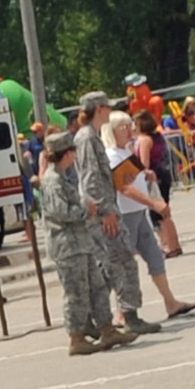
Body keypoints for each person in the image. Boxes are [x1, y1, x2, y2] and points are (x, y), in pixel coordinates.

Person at [72, 90, 159, 335]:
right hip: (102, 214)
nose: (109, 112)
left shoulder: (90, 136)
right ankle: (123, 317)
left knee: (112, 266)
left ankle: (98, 318)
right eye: (107, 108)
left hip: (103, 210)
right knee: (119, 264)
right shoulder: (88, 137)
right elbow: (90, 180)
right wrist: (106, 211)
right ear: (99, 109)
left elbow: (99, 176)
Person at [39, 131, 131, 356]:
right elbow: (59, 212)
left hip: (80, 243)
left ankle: (107, 330)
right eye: (72, 152)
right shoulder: (52, 181)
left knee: (98, 286)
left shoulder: (63, 177)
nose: (74, 157)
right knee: (76, 292)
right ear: (66, 153)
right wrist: (85, 210)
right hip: (67, 247)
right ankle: (76, 337)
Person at [106, 112, 195, 320]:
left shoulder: (126, 151)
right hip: (125, 215)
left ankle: (170, 302)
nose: (129, 129)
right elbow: (124, 188)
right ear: (112, 131)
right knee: (123, 264)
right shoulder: (112, 155)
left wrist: (146, 175)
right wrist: (154, 203)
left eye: (129, 125)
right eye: (123, 126)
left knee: (155, 256)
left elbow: (135, 176)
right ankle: (121, 313)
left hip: (138, 213)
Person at [133, 110, 183, 256]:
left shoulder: (144, 140)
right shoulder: (157, 137)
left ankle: (168, 245)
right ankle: (174, 244)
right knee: (164, 212)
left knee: (158, 214)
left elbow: (144, 163)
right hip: (163, 174)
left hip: (154, 178)